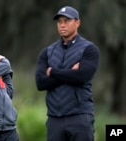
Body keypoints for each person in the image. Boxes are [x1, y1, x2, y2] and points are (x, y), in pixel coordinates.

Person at [35, 6, 100, 141]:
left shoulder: (89, 49)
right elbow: (40, 83)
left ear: (77, 23)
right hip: (54, 119)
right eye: (59, 22)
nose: (62, 25)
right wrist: (70, 72)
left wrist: (52, 72)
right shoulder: (47, 52)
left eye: (67, 20)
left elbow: (82, 77)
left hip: (80, 116)